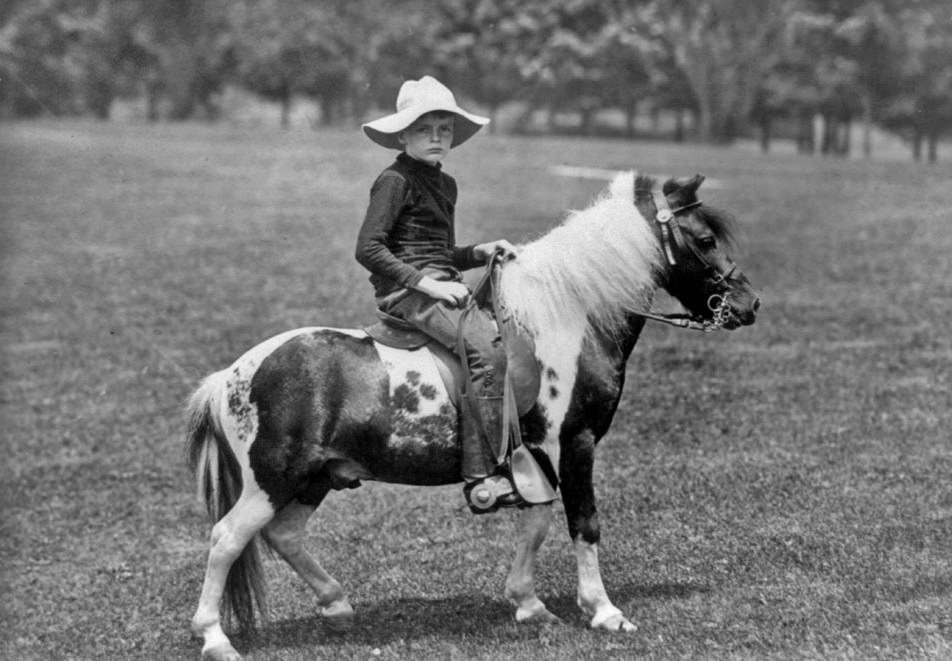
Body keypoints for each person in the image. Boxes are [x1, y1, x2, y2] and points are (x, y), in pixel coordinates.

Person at [356, 75, 521, 512]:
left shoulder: (445, 185)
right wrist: (427, 284)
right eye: (426, 129)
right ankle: (486, 474)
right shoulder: (393, 180)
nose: (436, 138)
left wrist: (479, 251)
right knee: (488, 352)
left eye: (444, 129)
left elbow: (439, 251)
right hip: (407, 294)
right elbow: (368, 248)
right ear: (404, 134)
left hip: (440, 285)